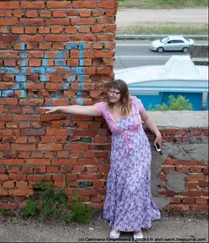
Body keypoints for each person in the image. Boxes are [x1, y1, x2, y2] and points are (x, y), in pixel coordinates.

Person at [40, 79, 161, 241]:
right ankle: (125, 222)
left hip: (140, 150)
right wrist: (60, 108)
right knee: (122, 186)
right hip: (120, 153)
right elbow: (80, 109)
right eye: (110, 91)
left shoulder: (134, 102)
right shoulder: (104, 108)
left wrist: (157, 133)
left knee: (135, 186)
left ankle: (132, 226)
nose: (111, 94)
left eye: (115, 92)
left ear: (123, 93)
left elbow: (147, 118)